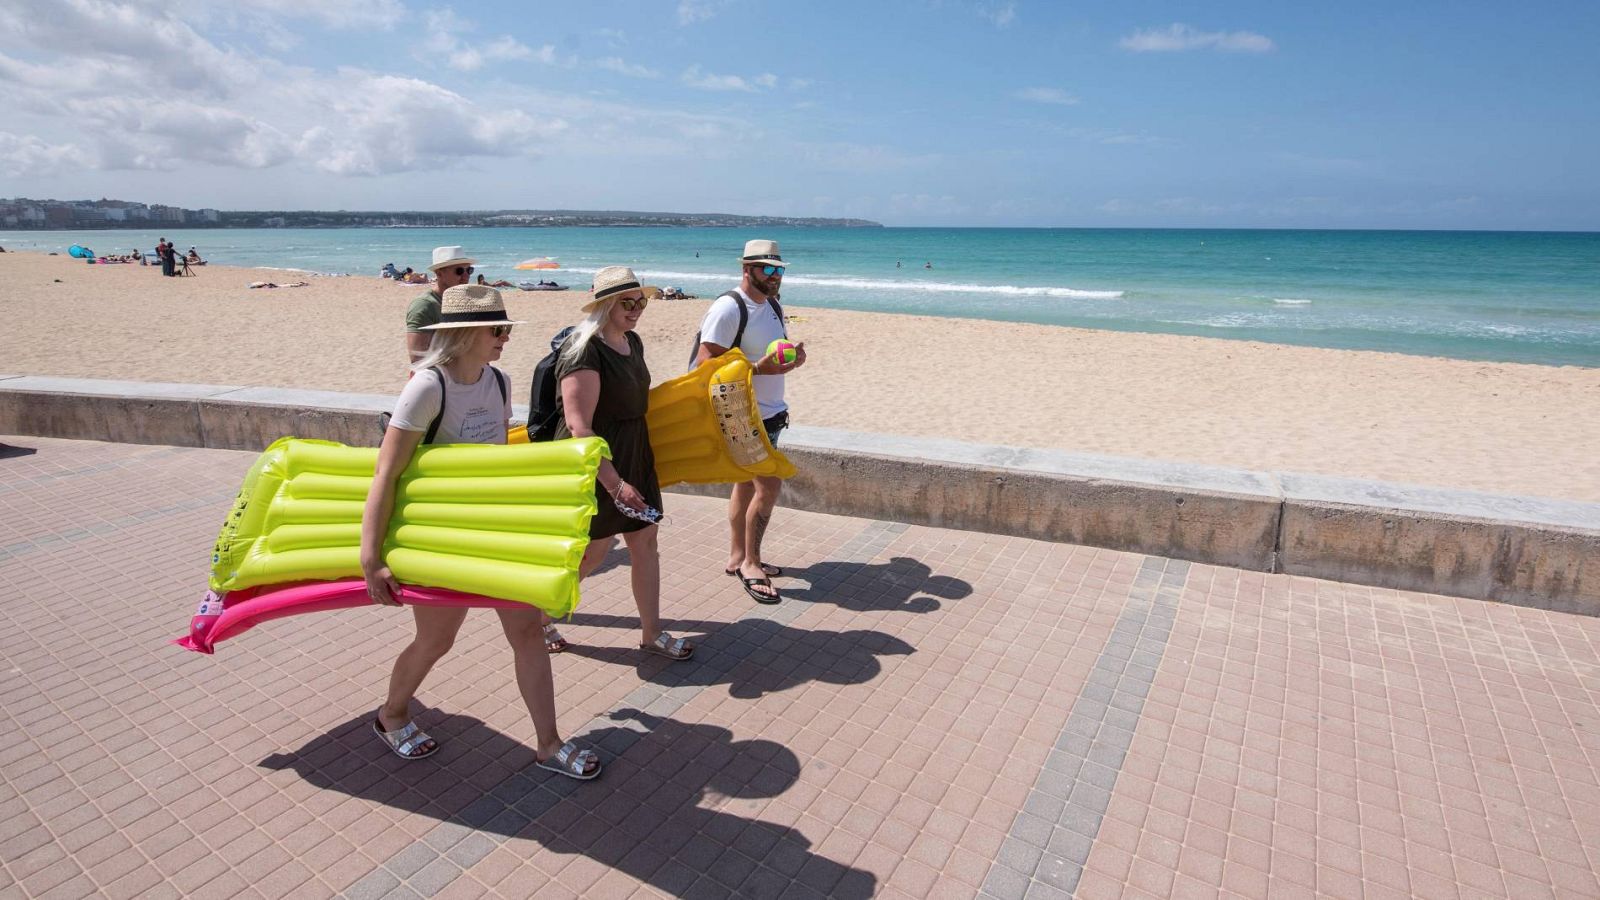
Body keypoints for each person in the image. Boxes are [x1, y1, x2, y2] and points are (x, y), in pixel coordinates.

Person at [362, 284, 601, 779]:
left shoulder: (499, 381)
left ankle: (548, 744)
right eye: (498, 330)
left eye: (507, 329)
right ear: (466, 332)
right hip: (439, 539)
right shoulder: (429, 386)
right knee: (436, 641)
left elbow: (494, 460)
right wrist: (371, 556)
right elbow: (387, 472)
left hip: (490, 532)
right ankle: (391, 714)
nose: (506, 338)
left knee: (527, 632)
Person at [554, 267, 692, 661]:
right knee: (594, 552)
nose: (636, 310)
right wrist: (614, 484)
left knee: (645, 542)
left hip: (635, 453)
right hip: (598, 463)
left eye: (641, 301)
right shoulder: (583, 350)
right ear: (604, 305)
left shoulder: (632, 341)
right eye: (626, 303)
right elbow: (580, 427)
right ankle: (541, 615)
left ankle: (652, 633)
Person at [692, 240, 806, 604]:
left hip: (771, 413)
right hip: (742, 417)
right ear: (747, 269)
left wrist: (791, 361)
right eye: (767, 269)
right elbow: (703, 368)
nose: (775, 276)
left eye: (779, 270)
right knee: (769, 487)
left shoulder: (773, 304)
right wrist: (757, 369)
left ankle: (737, 557)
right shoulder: (728, 308)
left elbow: (771, 352)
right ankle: (752, 564)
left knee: (744, 485)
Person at [404, 246, 475, 363]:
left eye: (469, 270)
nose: (466, 276)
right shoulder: (424, 306)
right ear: (439, 273)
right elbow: (417, 358)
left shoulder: (465, 302)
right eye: (459, 271)